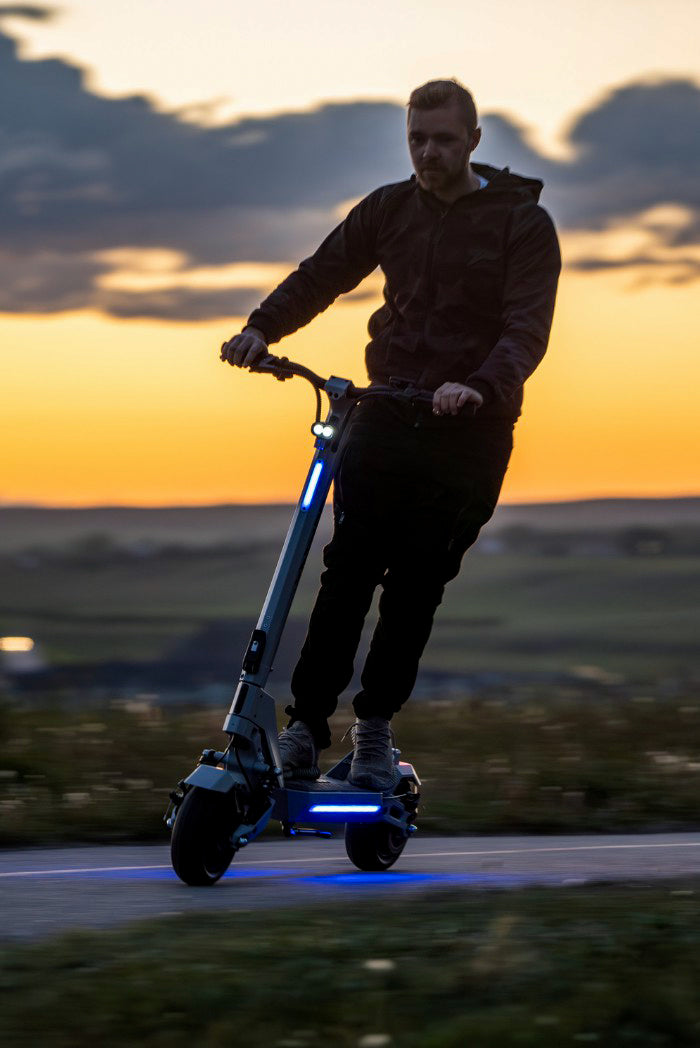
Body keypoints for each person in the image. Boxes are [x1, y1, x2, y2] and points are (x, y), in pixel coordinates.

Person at [221, 79, 561, 790]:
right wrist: (261, 328)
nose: (428, 152)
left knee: (415, 585)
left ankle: (373, 732)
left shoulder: (521, 225)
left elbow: (525, 329)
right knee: (345, 573)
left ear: (473, 140)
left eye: (442, 138)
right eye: (416, 139)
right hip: (384, 410)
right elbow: (323, 275)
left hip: (468, 428)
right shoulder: (389, 209)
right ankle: (304, 732)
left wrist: (480, 386)